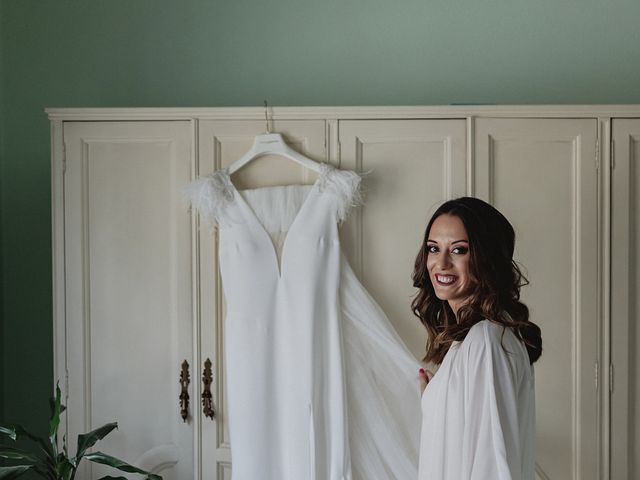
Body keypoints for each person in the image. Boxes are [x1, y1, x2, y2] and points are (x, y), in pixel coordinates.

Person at [411, 197, 542, 480]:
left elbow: (492, 463)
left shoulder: (486, 340)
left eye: (459, 250)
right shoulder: (478, 339)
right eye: (433, 248)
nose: (441, 263)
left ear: (487, 258)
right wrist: (438, 395)